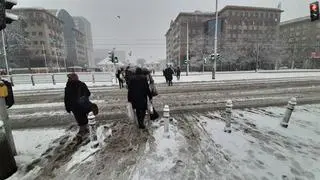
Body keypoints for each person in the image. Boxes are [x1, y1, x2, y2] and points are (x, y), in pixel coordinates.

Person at [64, 73, 95, 138]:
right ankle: (87, 131)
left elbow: (66, 99)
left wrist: (68, 108)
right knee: (87, 118)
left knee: (81, 120)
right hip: (83, 105)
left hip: (75, 107)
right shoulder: (82, 84)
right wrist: (83, 96)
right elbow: (88, 93)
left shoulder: (68, 87)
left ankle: (83, 131)